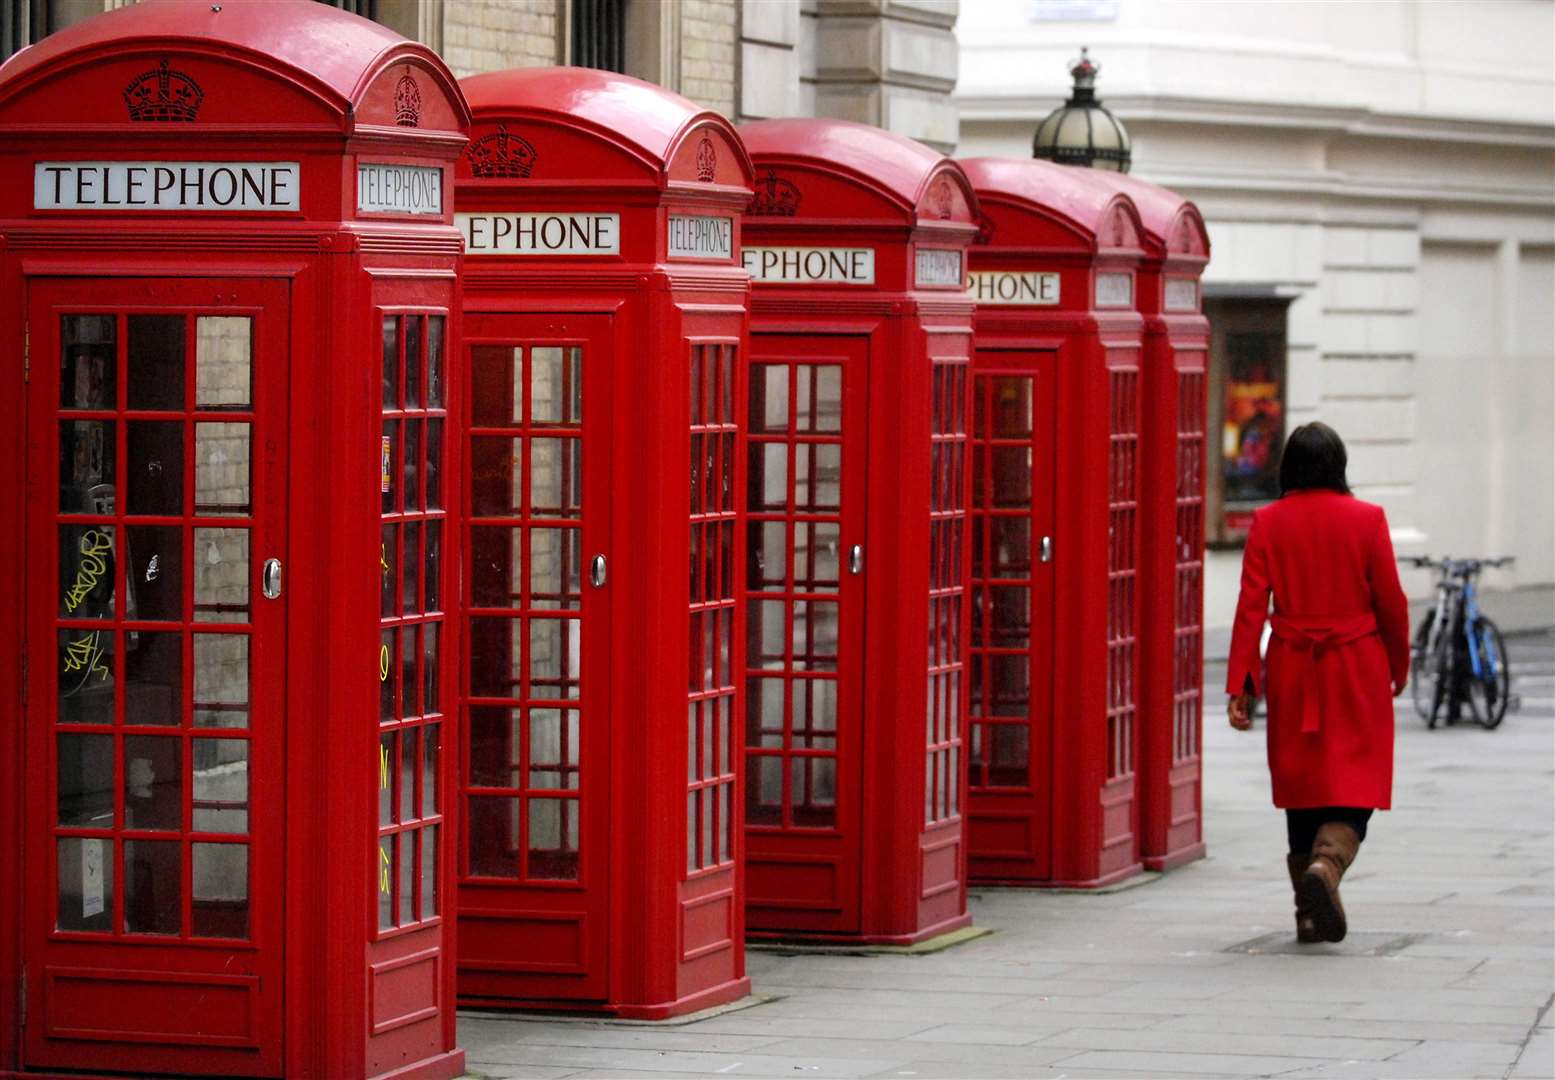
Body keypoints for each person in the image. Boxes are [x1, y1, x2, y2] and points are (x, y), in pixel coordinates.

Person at [1226, 422, 1410, 943]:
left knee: (1301, 782)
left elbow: (1249, 607)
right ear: (1339, 465)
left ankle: (1306, 913)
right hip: (1355, 663)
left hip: (1292, 664)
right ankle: (1326, 869)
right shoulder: (1368, 519)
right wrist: (1399, 664)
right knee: (1360, 778)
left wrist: (1242, 682)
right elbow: (1391, 603)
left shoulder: (1268, 521)